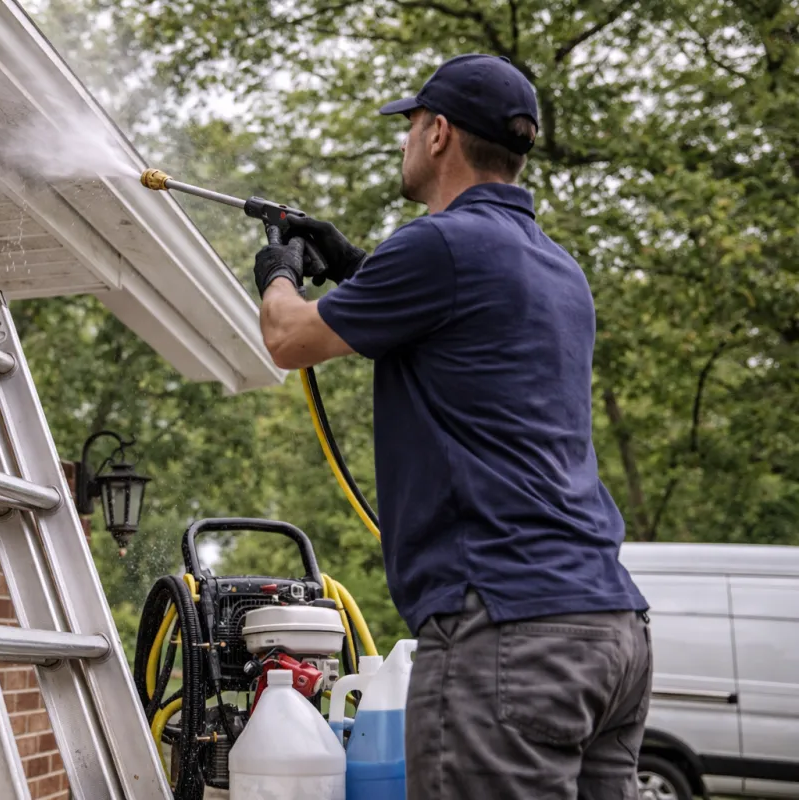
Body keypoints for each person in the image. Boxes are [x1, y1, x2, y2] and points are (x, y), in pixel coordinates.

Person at [252, 53, 653, 799]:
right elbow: (461, 326)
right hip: (610, 628)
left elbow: (289, 339)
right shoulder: (557, 267)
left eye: (409, 127)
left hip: (508, 629)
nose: (405, 142)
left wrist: (278, 269)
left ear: (439, 134)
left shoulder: (438, 243)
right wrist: (355, 267)